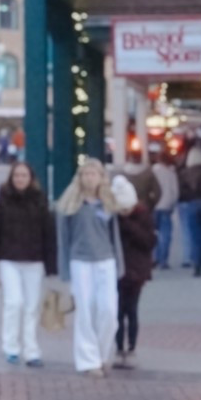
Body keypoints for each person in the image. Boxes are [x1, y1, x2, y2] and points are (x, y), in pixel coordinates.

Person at [0, 159, 56, 368]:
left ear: (30, 179)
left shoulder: (40, 202)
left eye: (24, 176)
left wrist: (51, 265)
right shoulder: (1, 202)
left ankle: (31, 350)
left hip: (34, 260)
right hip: (8, 259)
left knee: (32, 306)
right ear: (11, 178)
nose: (20, 179)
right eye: (16, 176)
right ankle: (11, 347)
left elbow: (49, 234)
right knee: (14, 302)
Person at [56, 156, 124, 374]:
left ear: (101, 177)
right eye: (86, 174)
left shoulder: (108, 204)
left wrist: (119, 264)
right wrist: (64, 272)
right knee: (85, 311)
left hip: (106, 260)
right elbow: (64, 240)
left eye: (94, 174)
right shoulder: (71, 206)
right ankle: (88, 361)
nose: (90, 178)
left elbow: (115, 238)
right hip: (80, 261)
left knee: (108, 311)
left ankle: (104, 355)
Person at [112, 173, 156, 364]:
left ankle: (131, 348)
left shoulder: (142, 215)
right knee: (118, 311)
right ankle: (119, 347)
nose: (125, 212)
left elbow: (149, 241)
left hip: (137, 270)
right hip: (118, 269)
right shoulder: (112, 219)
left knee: (132, 310)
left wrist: (128, 226)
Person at [179, 146, 201, 277]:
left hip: (192, 204)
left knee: (195, 235)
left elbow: (182, 191)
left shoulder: (185, 173)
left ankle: (196, 264)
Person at [153, 154, 179, 269]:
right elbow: (175, 192)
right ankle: (163, 260)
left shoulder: (152, 171)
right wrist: (172, 204)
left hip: (154, 206)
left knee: (153, 234)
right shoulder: (171, 173)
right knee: (166, 235)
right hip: (166, 206)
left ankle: (154, 258)